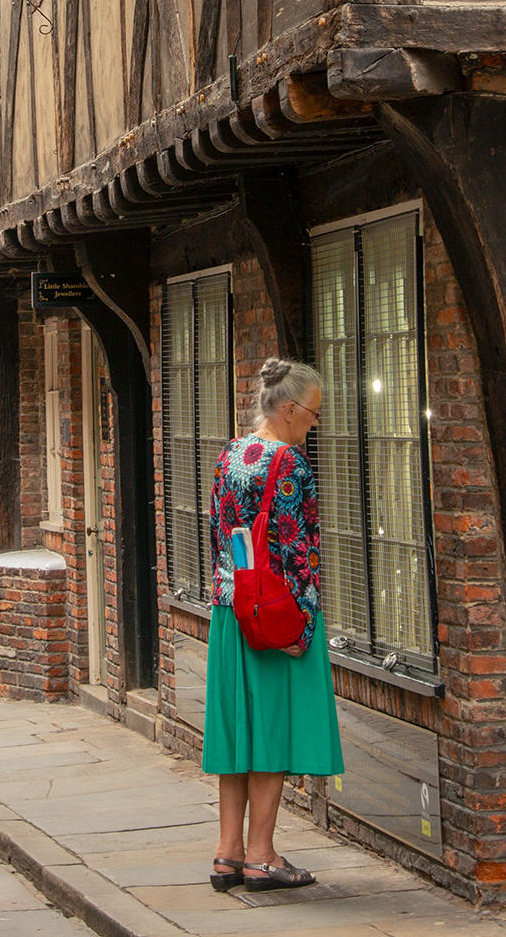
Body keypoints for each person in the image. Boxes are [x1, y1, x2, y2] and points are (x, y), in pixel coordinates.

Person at [203, 359, 341, 896]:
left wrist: (237, 588)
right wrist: (300, 629)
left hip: (229, 606)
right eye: (312, 412)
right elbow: (295, 551)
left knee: (239, 734)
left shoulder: (230, 454)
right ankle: (262, 856)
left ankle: (227, 854)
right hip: (276, 615)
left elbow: (223, 536)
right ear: (288, 408)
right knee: (272, 734)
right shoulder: (291, 465)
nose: (314, 422)